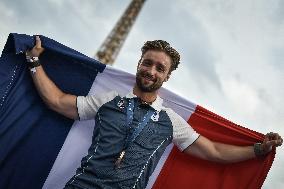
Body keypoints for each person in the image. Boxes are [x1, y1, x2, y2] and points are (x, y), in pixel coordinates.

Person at [26, 36, 282, 189]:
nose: (151, 70)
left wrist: (259, 149)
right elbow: (58, 101)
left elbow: (213, 151)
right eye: (147, 63)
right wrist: (34, 62)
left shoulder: (170, 120)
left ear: (167, 76)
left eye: (160, 68)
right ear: (138, 65)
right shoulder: (109, 100)